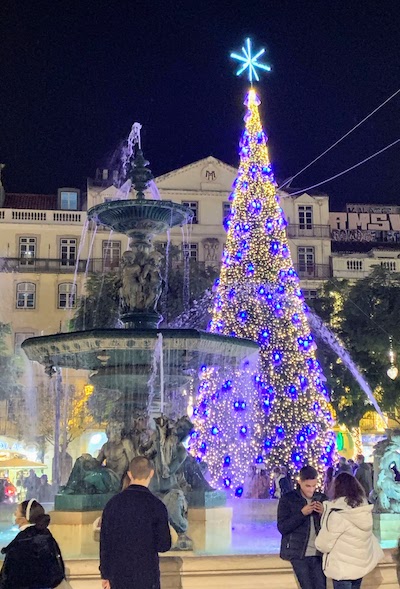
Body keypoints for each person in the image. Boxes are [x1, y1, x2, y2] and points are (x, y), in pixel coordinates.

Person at [100, 456, 171, 589]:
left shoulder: (113, 504)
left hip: (118, 577)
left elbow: (105, 543)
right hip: (147, 576)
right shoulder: (157, 506)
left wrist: (105, 574)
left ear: (129, 474)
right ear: (151, 473)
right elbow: (164, 545)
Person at [315, 472, 384, 589]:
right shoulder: (364, 510)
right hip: (359, 566)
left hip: (342, 569)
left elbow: (323, 545)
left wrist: (326, 516)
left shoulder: (338, 514)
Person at [277, 465, 327, 589]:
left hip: (318, 553)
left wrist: (324, 514)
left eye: (314, 486)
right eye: (308, 486)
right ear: (300, 482)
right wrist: (301, 514)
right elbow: (283, 527)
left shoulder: (322, 499)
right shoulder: (288, 499)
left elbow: (332, 527)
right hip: (298, 553)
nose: (311, 490)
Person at [0, 498, 66, 589]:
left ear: (24, 519)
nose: (14, 514)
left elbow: (9, 577)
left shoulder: (21, 543)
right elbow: (58, 569)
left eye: (17, 511)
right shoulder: (46, 536)